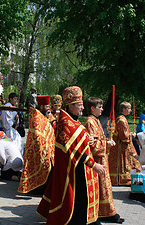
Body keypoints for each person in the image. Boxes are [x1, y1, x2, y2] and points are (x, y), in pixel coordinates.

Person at [37, 86, 105, 225]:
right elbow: (74, 149)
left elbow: (80, 139)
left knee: (81, 200)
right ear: (71, 105)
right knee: (77, 200)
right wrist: (94, 165)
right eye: (79, 104)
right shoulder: (65, 122)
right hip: (73, 171)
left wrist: (89, 139)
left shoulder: (73, 120)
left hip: (79, 168)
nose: (82, 107)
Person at [84, 97, 124, 223]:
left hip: (103, 159)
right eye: (99, 107)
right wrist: (105, 144)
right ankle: (99, 213)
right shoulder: (89, 122)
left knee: (105, 187)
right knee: (99, 188)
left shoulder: (96, 120)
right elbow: (92, 145)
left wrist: (107, 141)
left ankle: (108, 212)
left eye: (101, 107)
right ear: (92, 108)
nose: (102, 109)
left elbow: (99, 138)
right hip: (96, 161)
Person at [18, 95, 55, 194]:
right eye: (47, 106)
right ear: (41, 107)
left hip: (47, 148)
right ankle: (36, 189)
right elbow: (38, 135)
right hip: (38, 149)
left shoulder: (43, 115)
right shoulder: (36, 116)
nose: (49, 108)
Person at [109, 102, 141, 186]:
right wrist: (132, 135)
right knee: (123, 162)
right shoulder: (121, 120)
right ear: (124, 109)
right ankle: (121, 179)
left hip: (124, 146)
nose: (130, 110)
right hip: (121, 146)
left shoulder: (123, 119)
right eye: (129, 108)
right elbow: (124, 136)